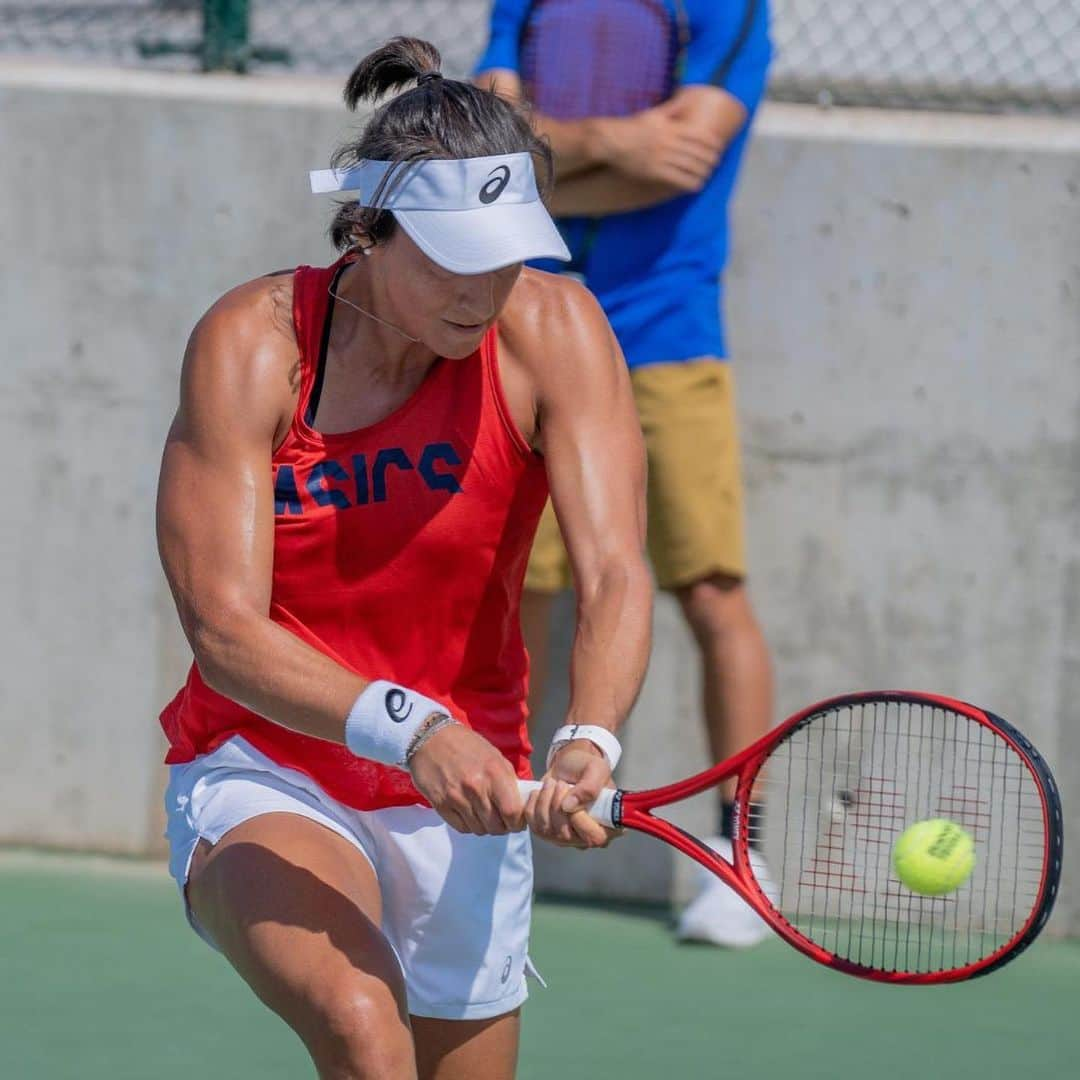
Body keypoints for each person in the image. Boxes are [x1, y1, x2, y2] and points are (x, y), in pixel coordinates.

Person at [156, 37, 652, 1080]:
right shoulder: (254, 345)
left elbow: (613, 570)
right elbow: (224, 629)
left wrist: (590, 737)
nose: (483, 289)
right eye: (452, 258)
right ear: (372, 229)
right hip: (272, 766)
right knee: (361, 1026)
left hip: (472, 791)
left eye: (505, 254)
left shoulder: (554, 331)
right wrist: (411, 726)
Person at [475, 0, 776, 947]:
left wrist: (546, 167)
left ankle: (742, 856)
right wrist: (618, 145)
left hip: (670, 336)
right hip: (526, 329)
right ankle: (492, 834)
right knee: (512, 591)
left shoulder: (732, 9)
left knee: (713, 590)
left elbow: (683, 155)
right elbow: (490, 153)